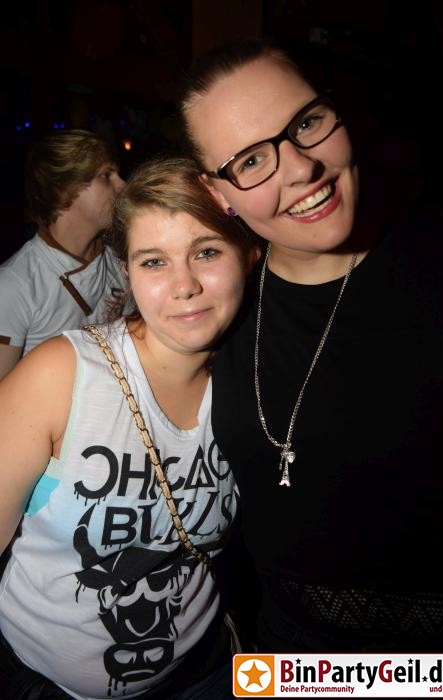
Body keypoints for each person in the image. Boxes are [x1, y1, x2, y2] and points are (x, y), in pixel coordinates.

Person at [178, 39, 443, 653]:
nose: (301, 169)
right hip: (278, 648)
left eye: (306, 123)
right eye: (251, 160)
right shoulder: (214, 308)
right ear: (219, 193)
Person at [0, 156, 258, 699]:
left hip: (205, 673)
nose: (184, 286)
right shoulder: (61, 375)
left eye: (206, 252)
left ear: (249, 253)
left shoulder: (259, 382)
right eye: (153, 261)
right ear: (127, 271)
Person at [0, 129, 126, 380]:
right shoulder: (14, 285)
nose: (123, 185)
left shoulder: (120, 263)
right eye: (106, 176)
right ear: (64, 190)